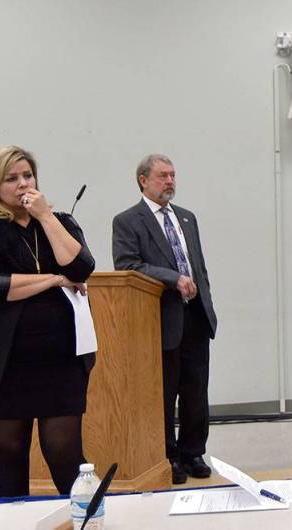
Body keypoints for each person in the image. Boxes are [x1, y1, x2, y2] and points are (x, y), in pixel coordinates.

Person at [0, 146, 95, 496]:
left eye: (28, 175)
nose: (23, 184)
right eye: (12, 178)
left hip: (61, 360)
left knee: (65, 452)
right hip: (4, 365)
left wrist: (46, 217)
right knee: (8, 454)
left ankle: (84, 518)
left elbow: (82, 268)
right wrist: (52, 279)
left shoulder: (61, 222)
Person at [112, 154, 218, 485]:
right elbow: (128, 265)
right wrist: (172, 279)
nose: (170, 181)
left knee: (196, 390)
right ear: (143, 180)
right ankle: (167, 455)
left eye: (173, 175)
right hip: (159, 318)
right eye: (162, 176)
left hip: (196, 316)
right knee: (165, 390)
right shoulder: (128, 221)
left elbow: (197, 265)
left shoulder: (187, 218)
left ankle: (193, 452)